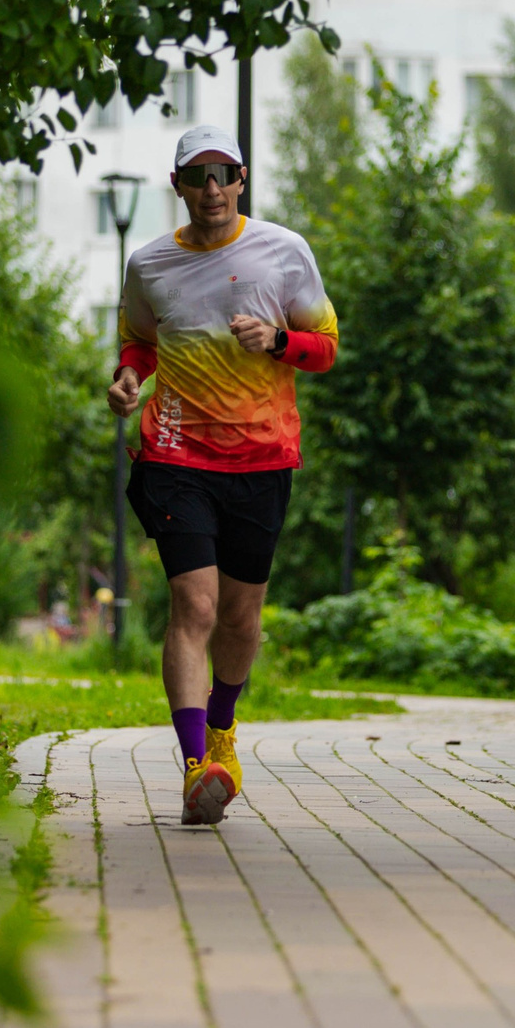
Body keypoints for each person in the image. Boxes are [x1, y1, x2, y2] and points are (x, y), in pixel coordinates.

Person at [106, 126, 339, 825]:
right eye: (197, 176)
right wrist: (126, 378)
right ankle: (193, 763)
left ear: (241, 180)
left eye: (224, 174)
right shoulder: (149, 265)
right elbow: (139, 342)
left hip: (262, 461)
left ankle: (224, 728)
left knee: (240, 617)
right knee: (196, 606)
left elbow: (325, 347)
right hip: (176, 456)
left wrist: (277, 341)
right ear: (176, 185)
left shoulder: (283, 252)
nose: (211, 189)